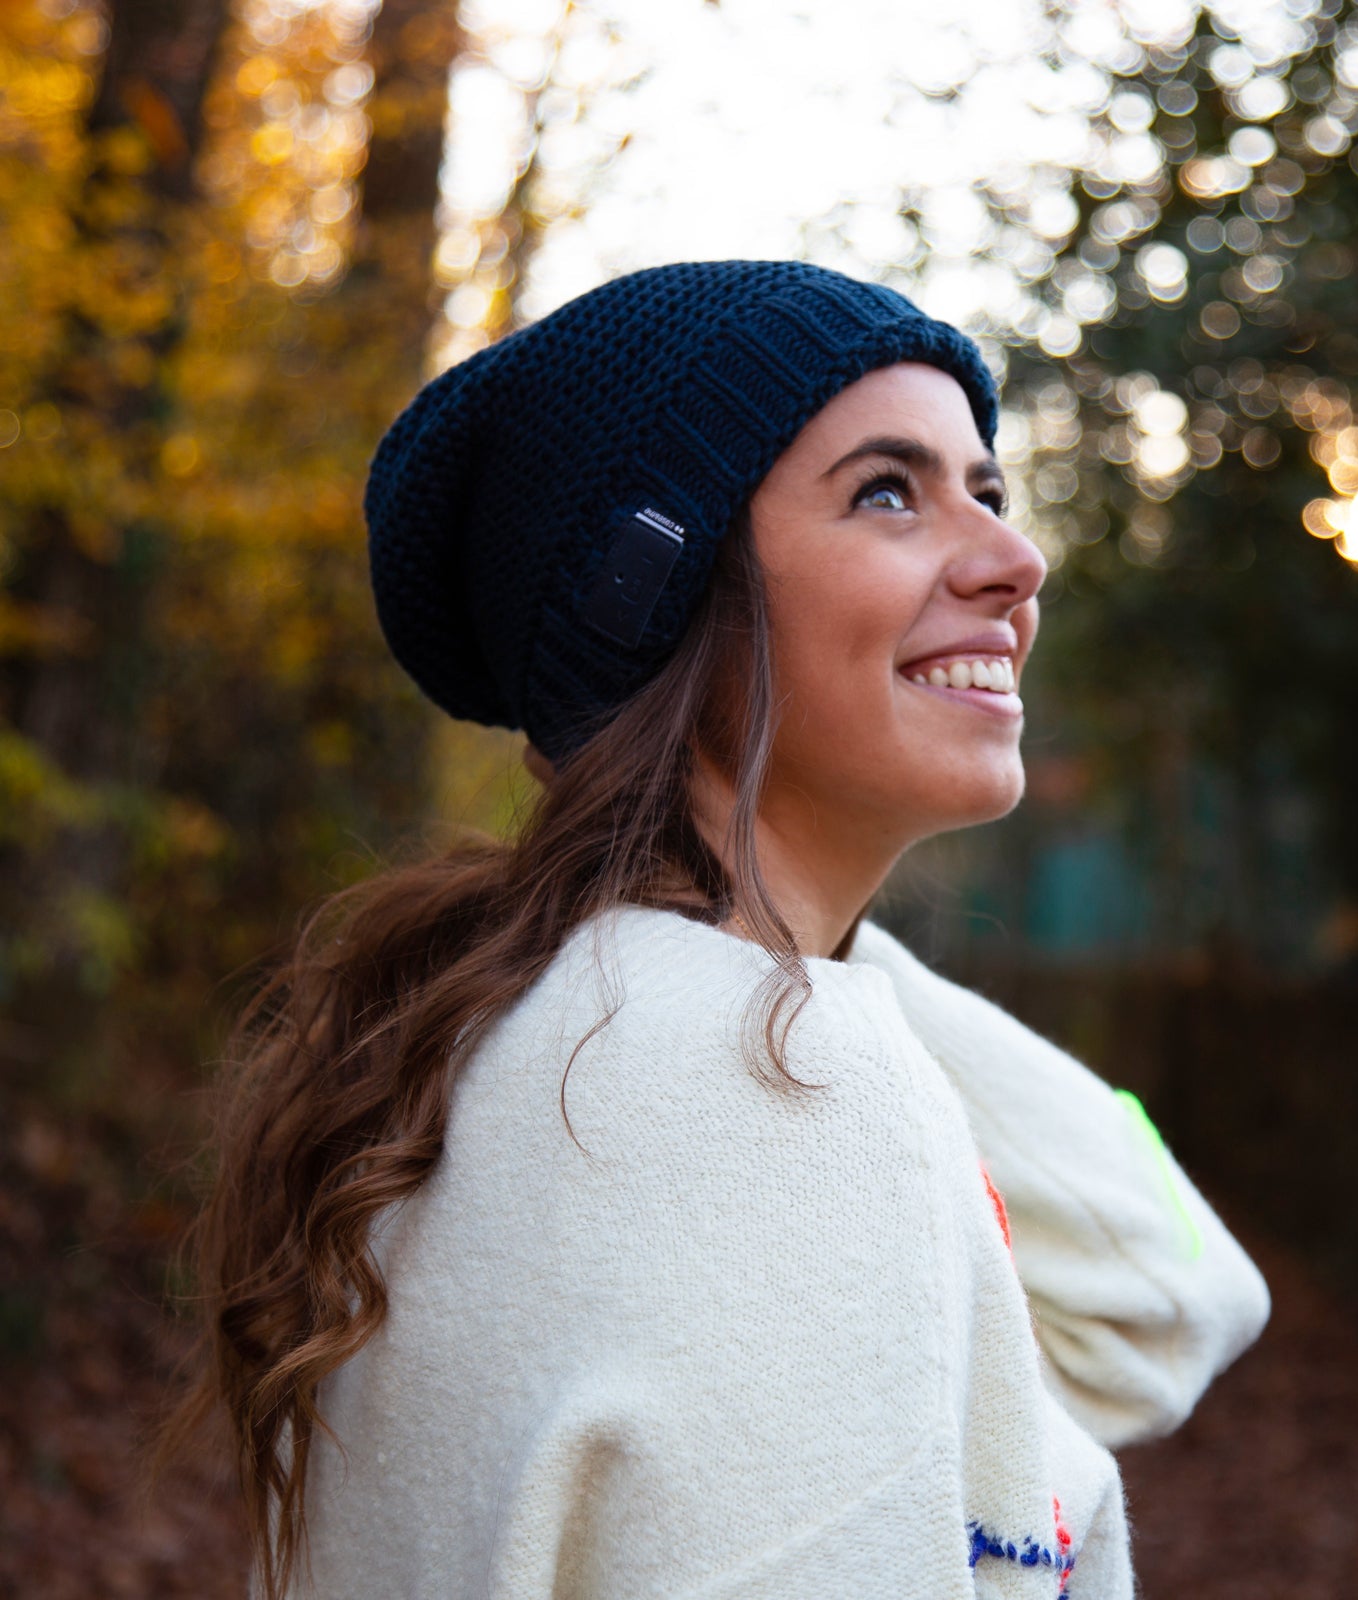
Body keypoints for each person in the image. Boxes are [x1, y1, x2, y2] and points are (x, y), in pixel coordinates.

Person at [171, 261, 1269, 1599]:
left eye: (987, 490)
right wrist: (802, 996)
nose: (1013, 559)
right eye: (888, 491)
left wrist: (814, 954)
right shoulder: (770, 1085)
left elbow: (1167, 1297)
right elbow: (1165, 1306)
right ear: (666, 591)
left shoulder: (552, 1037)